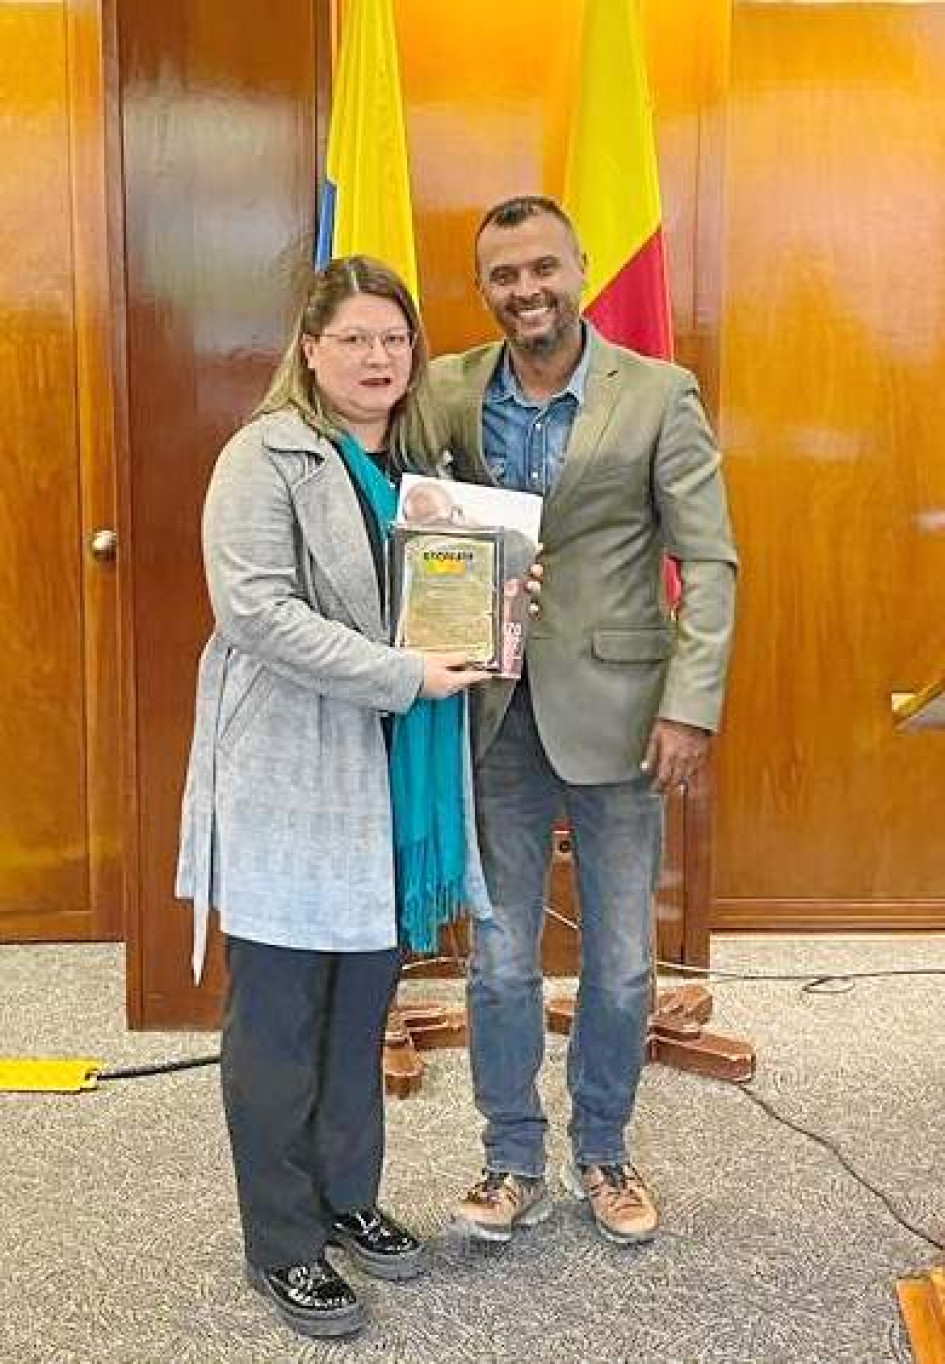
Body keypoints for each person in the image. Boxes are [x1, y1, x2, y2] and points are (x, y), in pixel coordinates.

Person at [413, 195, 738, 1247]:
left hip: (623, 712)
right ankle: (512, 1158)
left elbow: (711, 558)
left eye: (544, 268)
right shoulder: (445, 388)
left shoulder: (657, 393)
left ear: (582, 269)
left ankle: (603, 1148)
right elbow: (410, 517)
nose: (527, 290)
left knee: (623, 956)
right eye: (505, 275)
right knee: (499, 957)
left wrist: (692, 702)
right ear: (486, 288)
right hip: (492, 710)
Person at [175, 255, 486, 1340]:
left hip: (386, 779)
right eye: (353, 337)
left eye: (394, 339)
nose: (376, 357)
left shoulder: (417, 467)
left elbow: (446, 604)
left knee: (362, 1011)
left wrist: (503, 601)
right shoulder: (263, 456)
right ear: (310, 348)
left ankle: (347, 1198)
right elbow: (256, 611)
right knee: (279, 1020)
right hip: (292, 777)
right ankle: (282, 1242)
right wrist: (404, 673)